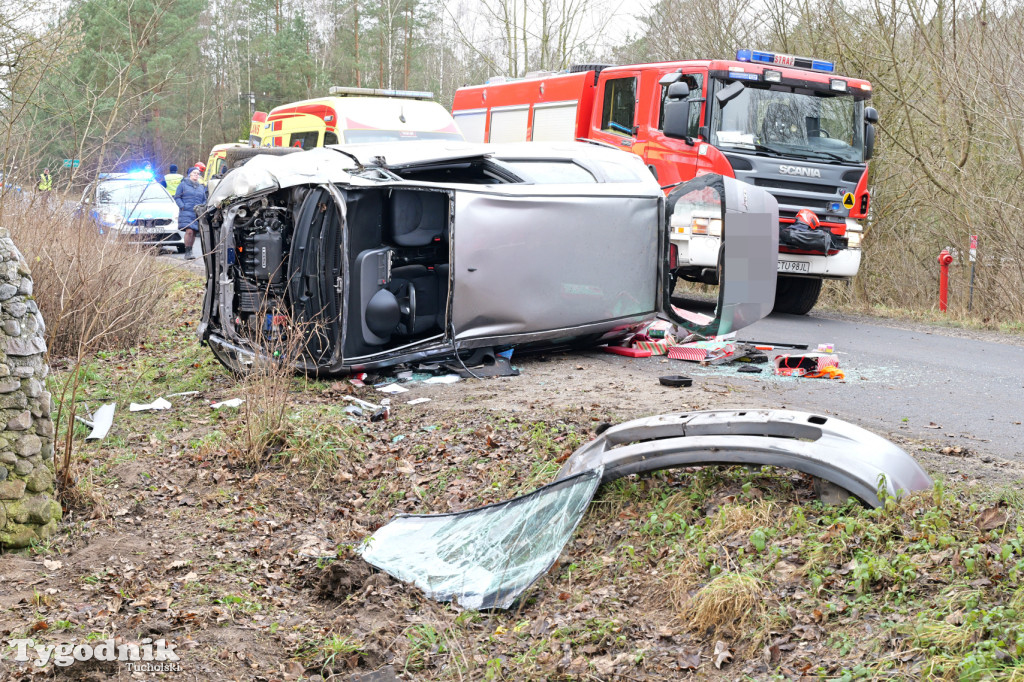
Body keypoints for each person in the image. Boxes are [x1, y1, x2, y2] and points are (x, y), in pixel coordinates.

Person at [174, 166, 207, 260]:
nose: (197, 175)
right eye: (194, 173)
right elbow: (177, 197)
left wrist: (203, 207)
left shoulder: (201, 187)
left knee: (194, 232)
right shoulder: (183, 185)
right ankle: (187, 252)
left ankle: (190, 250)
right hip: (186, 212)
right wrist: (182, 206)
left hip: (197, 213)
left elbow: (204, 199)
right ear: (190, 174)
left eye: (198, 173)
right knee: (189, 231)